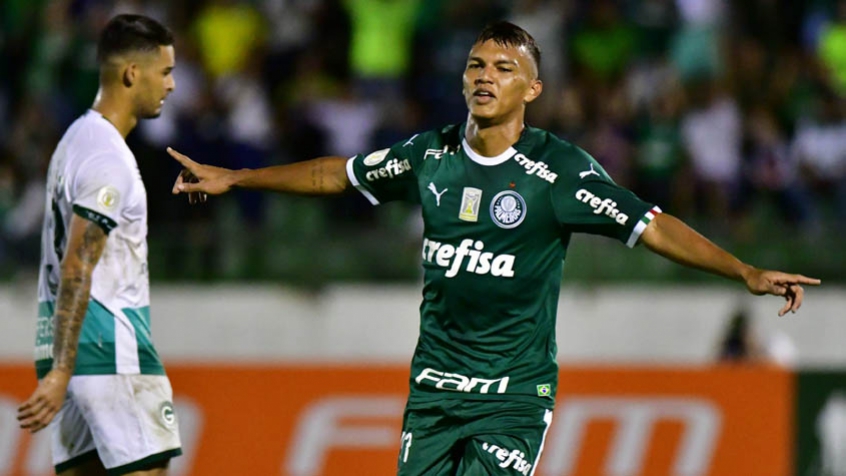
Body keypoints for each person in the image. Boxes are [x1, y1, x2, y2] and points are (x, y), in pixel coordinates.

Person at [168, 22, 820, 475]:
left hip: (512, 397)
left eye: (503, 69)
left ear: (531, 90)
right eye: (476, 65)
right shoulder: (430, 154)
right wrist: (239, 177)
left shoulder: (559, 173)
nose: (485, 77)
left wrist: (744, 271)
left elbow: (651, 225)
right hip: (432, 391)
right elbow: (340, 174)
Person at [16, 14, 182, 476]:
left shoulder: (74, 141)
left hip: (64, 349)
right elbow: (77, 264)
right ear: (133, 73)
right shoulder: (107, 157)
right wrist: (64, 371)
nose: (171, 86)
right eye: (165, 72)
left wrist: (60, 370)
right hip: (110, 350)